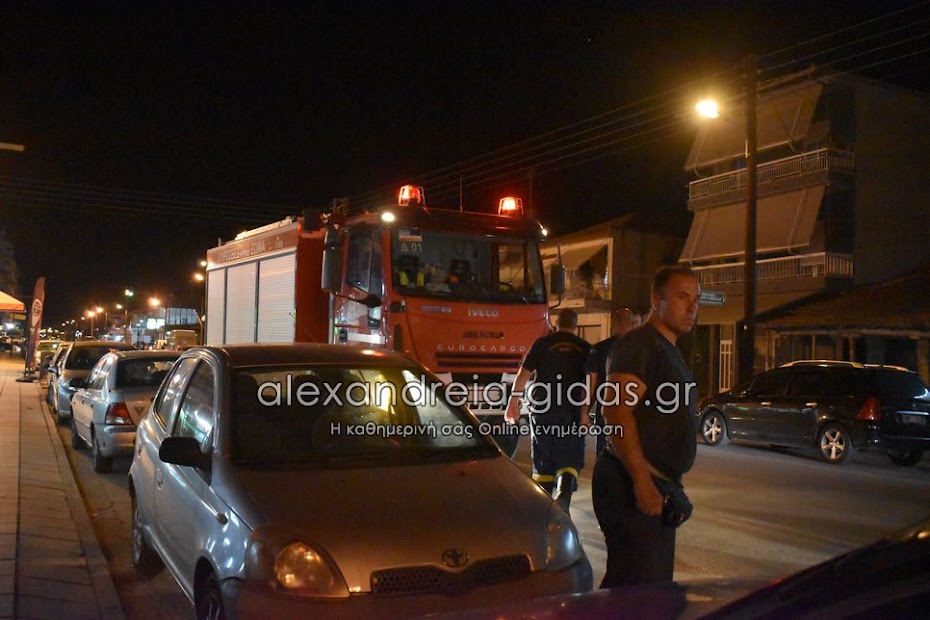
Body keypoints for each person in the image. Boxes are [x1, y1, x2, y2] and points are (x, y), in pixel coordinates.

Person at [591, 265, 700, 586]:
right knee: (635, 593)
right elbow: (615, 412)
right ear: (656, 300)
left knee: (647, 591)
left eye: (696, 299)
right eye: (682, 297)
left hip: (657, 484)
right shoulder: (640, 345)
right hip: (629, 484)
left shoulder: (667, 348)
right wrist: (641, 480)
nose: (692, 307)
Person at [505, 308, 591, 511]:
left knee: (543, 460)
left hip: (543, 411)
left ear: (556, 323)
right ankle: (563, 502)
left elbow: (523, 374)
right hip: (571, 412)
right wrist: (585, 412)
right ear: (575, 325)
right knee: (569, 460)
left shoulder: (542, 344)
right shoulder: (585, 348)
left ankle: (544, 510)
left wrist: (513, 402)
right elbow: (589, 383)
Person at [582, 307, 641, 456]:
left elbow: (591, 383)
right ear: (632, 324)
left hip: (607, 414)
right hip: (634, 415)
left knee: (605, 456)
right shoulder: (642, 350)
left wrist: (584, 412)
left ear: (613, 324)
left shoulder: (599, 349)